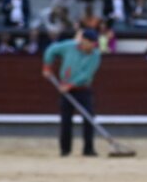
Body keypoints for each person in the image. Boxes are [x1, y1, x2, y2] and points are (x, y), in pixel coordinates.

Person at [42, 28, 103, 157]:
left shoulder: (95, 55)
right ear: (84, 40)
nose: (92, 45)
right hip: (66, 90)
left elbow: (86, 75)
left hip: (83, 90)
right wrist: (47, 65)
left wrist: (71, 85)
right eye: (90, 42)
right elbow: (51, 50)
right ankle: (65, 150)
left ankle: (88, 149)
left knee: (88, 119)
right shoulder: (69, 46)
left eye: (94, 43)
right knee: (66, 121)